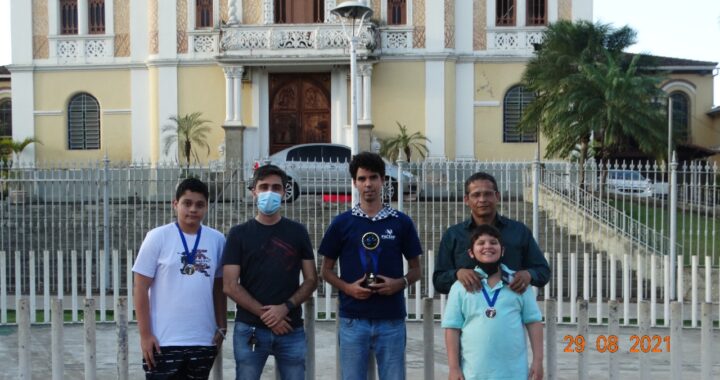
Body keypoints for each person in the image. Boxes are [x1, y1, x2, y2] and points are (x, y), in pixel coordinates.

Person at [319, 151, 423, 380]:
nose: (368, 184)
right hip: (353, 320)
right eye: (362, 179)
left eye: (373, 178)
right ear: (355, 182)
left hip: (391, 320)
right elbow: (325, 270)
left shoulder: (401, 222)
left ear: (383, 180)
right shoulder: (341, 223)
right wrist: (347, 288)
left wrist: (400, 283)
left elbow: (417, 270)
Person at [222, 164, 317, 380]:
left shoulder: (298, 232)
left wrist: (286, 307)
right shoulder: (238, 234)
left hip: (290, 328)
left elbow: (311, 279)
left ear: (284, 192)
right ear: (253, 191)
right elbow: (229, 285)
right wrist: (268, 315)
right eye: (263, 187)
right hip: (250, 329)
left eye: (276, 188)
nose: (269, 193)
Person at [132, 177, 227, 379]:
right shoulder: (157, 237)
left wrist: (222, 325)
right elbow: (140, 287)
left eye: (199, 204)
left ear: (206, 207)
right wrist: (145, 335)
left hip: (203, 339)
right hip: (163, 341)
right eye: (187, 203)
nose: (193, 209)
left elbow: (219, 287)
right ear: (175, 204)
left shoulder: (217, 240)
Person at [442, 224, 544, 380]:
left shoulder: (518, 283)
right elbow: (452, 328)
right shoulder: (461, 287)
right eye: (481, 243)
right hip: (473, 374)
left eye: (493, 242)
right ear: (471, 252)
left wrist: (538, 361)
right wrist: (454, 368)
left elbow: (534, 322)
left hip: (513, 374)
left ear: (502, 250)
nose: (487, 246)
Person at [433, 172, 550, 295]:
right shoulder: (453, 235)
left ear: (497, 196)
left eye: (488, 194)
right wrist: (457, 274)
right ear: (466, 200)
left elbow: (543, 271)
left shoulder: (519, 231)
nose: (482, 199)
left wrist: (529, 275)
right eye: (476, 195)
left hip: (511, 307)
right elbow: (438, 281)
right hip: (468, 310)